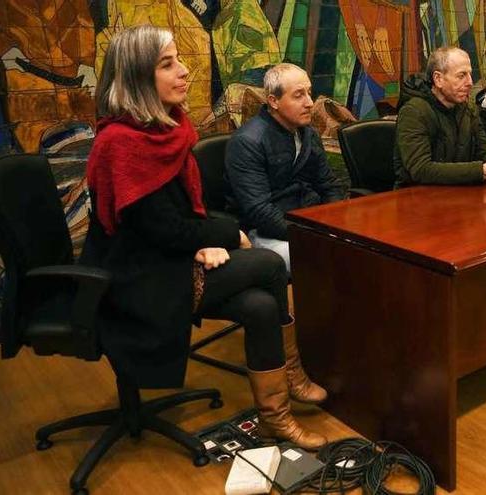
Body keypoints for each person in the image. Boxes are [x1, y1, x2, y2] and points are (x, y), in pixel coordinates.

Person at [80, 25, 326, 450]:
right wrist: (229, 234)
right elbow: (160, 230)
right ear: (138, 76)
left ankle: (276, 416)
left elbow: (176, 221)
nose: (184, 71)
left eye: (179, 60)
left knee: (261, 305)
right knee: (268, 263)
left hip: (169, 257)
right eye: (167, 64)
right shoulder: (121, 143)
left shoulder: (166, 127)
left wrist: (206, 241)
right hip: (137, 277)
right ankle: (292, 377)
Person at [225, 63, 344, 273]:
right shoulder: (247, 142)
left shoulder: (308, 134)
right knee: (324, 260)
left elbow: (329, 186)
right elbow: (259, 210)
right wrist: (309, 235)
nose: (309, 102)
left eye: (309, 93)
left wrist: (334, 226)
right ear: (274, 101)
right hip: (266, 232)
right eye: (298, 95)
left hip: (309, 222)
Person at [394, 46, 486, 187]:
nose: (470, 82)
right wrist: (480, 171)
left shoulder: (467, 108)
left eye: (470, 74)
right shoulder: (413, 112)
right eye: (461, 76)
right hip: (417, 199)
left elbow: (484, 149)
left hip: (460, 195)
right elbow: (421, 169)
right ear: (438, 79)